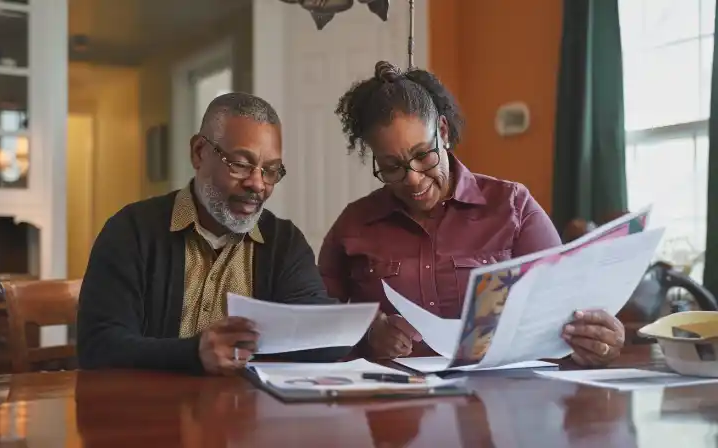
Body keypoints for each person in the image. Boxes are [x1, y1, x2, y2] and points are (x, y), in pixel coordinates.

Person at [318, 61, 625, 367]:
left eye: (423, 155)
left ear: (442, 131)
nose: (412, 178)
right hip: (390, 404)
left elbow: (568, 311)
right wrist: (368, 335)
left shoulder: (513, 207)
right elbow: (317, 326)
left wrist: (598, 341)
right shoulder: (354, 225)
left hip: (499, 401)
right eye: (391, 167)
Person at [77, 92, 348, 375]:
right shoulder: (131, 231)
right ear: (199, 152)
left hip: (251, 415)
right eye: (241, 164)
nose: (257, 184)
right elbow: (98, 346)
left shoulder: (285, 243)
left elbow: (320, 333)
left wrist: (365, 330)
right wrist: (193, 353)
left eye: (270, 171)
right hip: (150, 412)